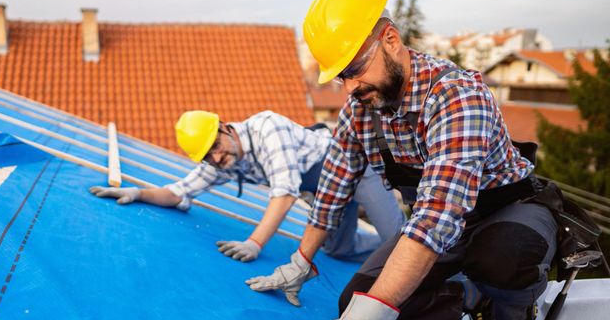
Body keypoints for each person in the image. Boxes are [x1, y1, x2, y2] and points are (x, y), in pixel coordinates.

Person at [247, 0, 559, 320]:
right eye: (341, 76)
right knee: (352, 302)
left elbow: (436, 216)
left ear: (389, 40)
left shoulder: (456, 96)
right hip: (445, 227)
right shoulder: (362, 110)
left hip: (506, 211)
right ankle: (471, 299)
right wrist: (301, 261)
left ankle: (511, 316)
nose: (349, 87)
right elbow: (333, 187)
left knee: (504, 257)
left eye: (354, 69)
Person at [90, 110, 404, 268]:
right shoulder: (224, 160)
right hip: (327, 192)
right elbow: (178, 192)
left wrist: (254, 243)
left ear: (225, 127)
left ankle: (451, 288)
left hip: (354, 169)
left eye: (214, 147)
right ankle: (383, 253)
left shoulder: (268, 127)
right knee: (338, 250)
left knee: (402, 243)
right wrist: (138, 193)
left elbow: (285, 192)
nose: (214, 157)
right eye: (206, 156)